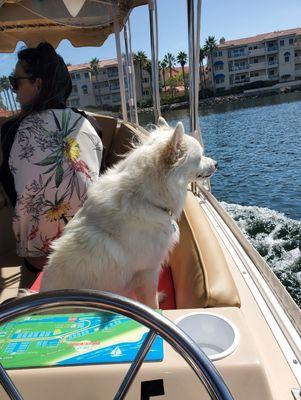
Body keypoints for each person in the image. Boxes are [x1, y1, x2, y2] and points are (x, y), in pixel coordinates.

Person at [0, 42, 103, 287]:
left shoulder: (11, 132)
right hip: (89, 254)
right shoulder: (89, 125)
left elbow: (15, 193)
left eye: (16, 83)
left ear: (38, 84)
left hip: (39, 261)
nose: (14, 91)